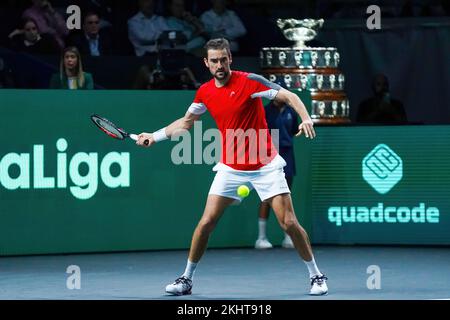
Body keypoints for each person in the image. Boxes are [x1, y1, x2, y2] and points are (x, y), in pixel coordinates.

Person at [135, 38, 328, 296]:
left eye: (223, 59)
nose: (219, 65)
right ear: (206, 63)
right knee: (206, 222)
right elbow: (186, 122)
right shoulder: (204, 91)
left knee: (289, 223)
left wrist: (306, 119)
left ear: (230, 59)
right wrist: (154, 135)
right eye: (214, 61)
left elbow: (289, 96)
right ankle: (186, 279)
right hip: (231, 167)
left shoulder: (251, 81)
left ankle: (316, 275)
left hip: (265, 165)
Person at [255, 97, 299, 250]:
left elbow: (293, 130)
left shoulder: (291, 112)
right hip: (269, 154)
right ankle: (261, 238)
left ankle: (288, 236)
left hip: (287, 153)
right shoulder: (265, 111)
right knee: (266, 197)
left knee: (286, 195)